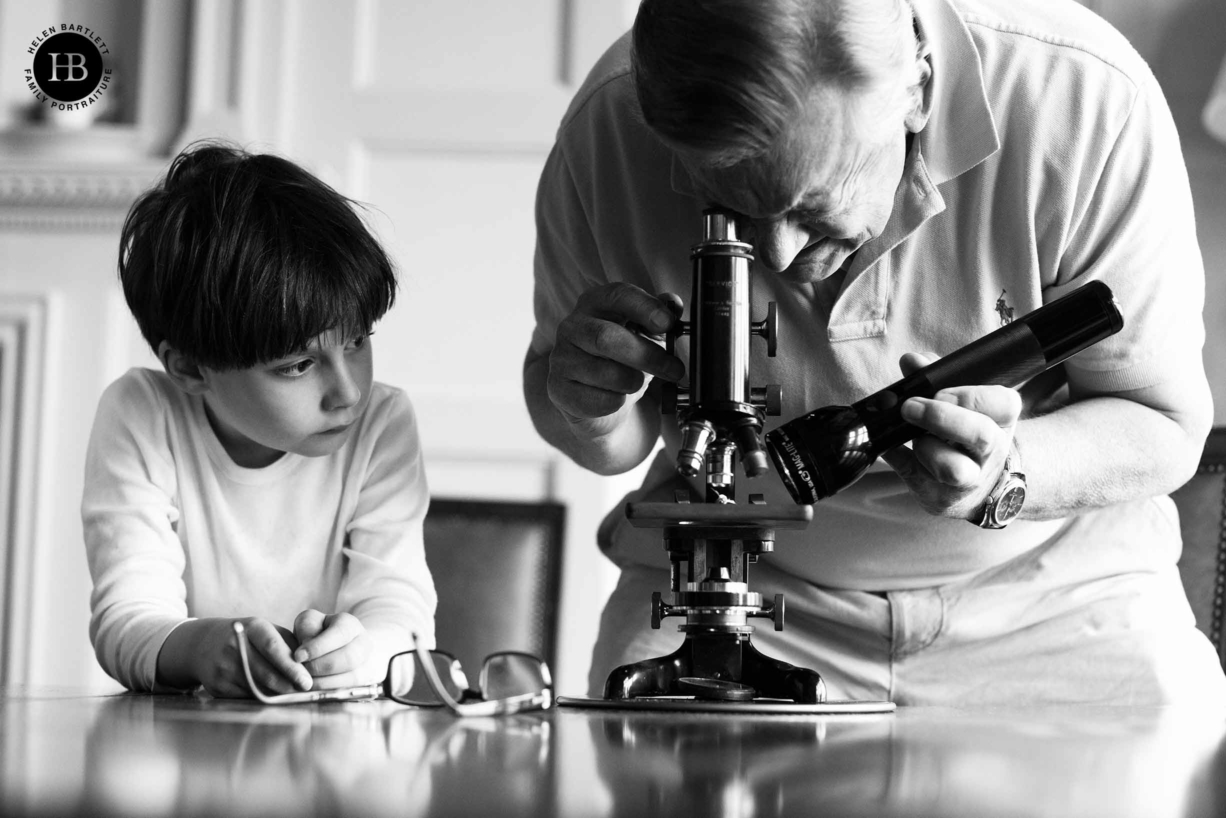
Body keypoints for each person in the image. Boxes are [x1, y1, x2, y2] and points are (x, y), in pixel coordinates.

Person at [525, 0, 1226, 705]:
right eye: (730, 207)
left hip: (1055, 599)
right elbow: (607, 444)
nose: (778, 254)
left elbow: (1163, 426)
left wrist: (1006, 476)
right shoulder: (610, 126)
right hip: (735, 594)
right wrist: (590, 404)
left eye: (812, 205)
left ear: (919, 89)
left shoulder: (1083, 99)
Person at [82, 142, 437, 696]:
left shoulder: (382, 424)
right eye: (298, 365)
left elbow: (401, 610)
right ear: (191, 368)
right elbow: (125, 618)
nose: (347, 393)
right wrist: (200, 647)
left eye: (358, 340)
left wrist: (362, 652)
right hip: (187, 746)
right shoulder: (143, 414)